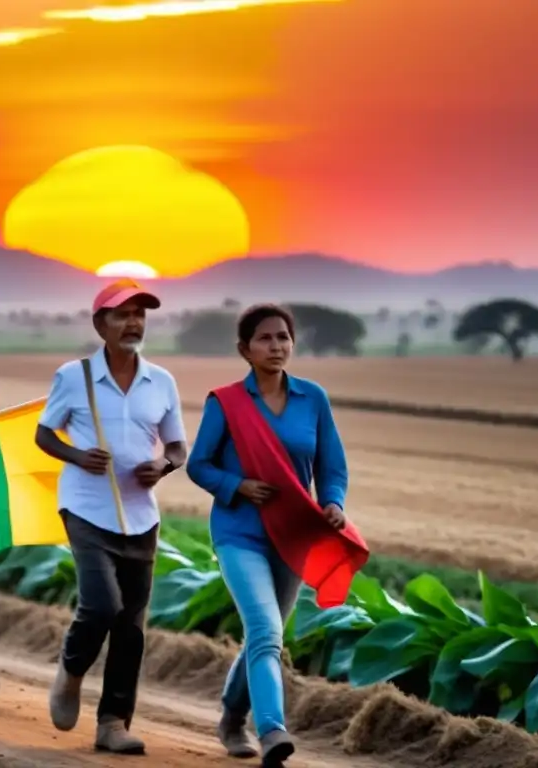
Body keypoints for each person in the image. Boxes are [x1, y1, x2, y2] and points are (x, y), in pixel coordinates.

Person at [185, 303, 349, 766]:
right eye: (265, 338)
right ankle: (273, 729)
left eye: (283, 337)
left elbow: (331, 466)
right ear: (245, 349)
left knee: (267, 636)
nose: (276, 346)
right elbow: (199, 465)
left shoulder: (312, 398)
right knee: (264, 628)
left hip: (294, 535)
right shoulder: (227, 402)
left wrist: (333, 502)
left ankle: (232, 719)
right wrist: (235, 485)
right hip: (240, 532)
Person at [35, 278, 187, 755]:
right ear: (101, 323)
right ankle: (71, 671)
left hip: (141, 515)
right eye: (122, 314)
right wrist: (78, 457)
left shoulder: (161, 381)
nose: (133, 322)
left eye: (140, 314)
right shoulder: (73, 377)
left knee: (131, 626)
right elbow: (44, 435)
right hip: (86, 507)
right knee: (101, 606)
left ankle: (113, 723)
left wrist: (162, 465)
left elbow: (178, 446)